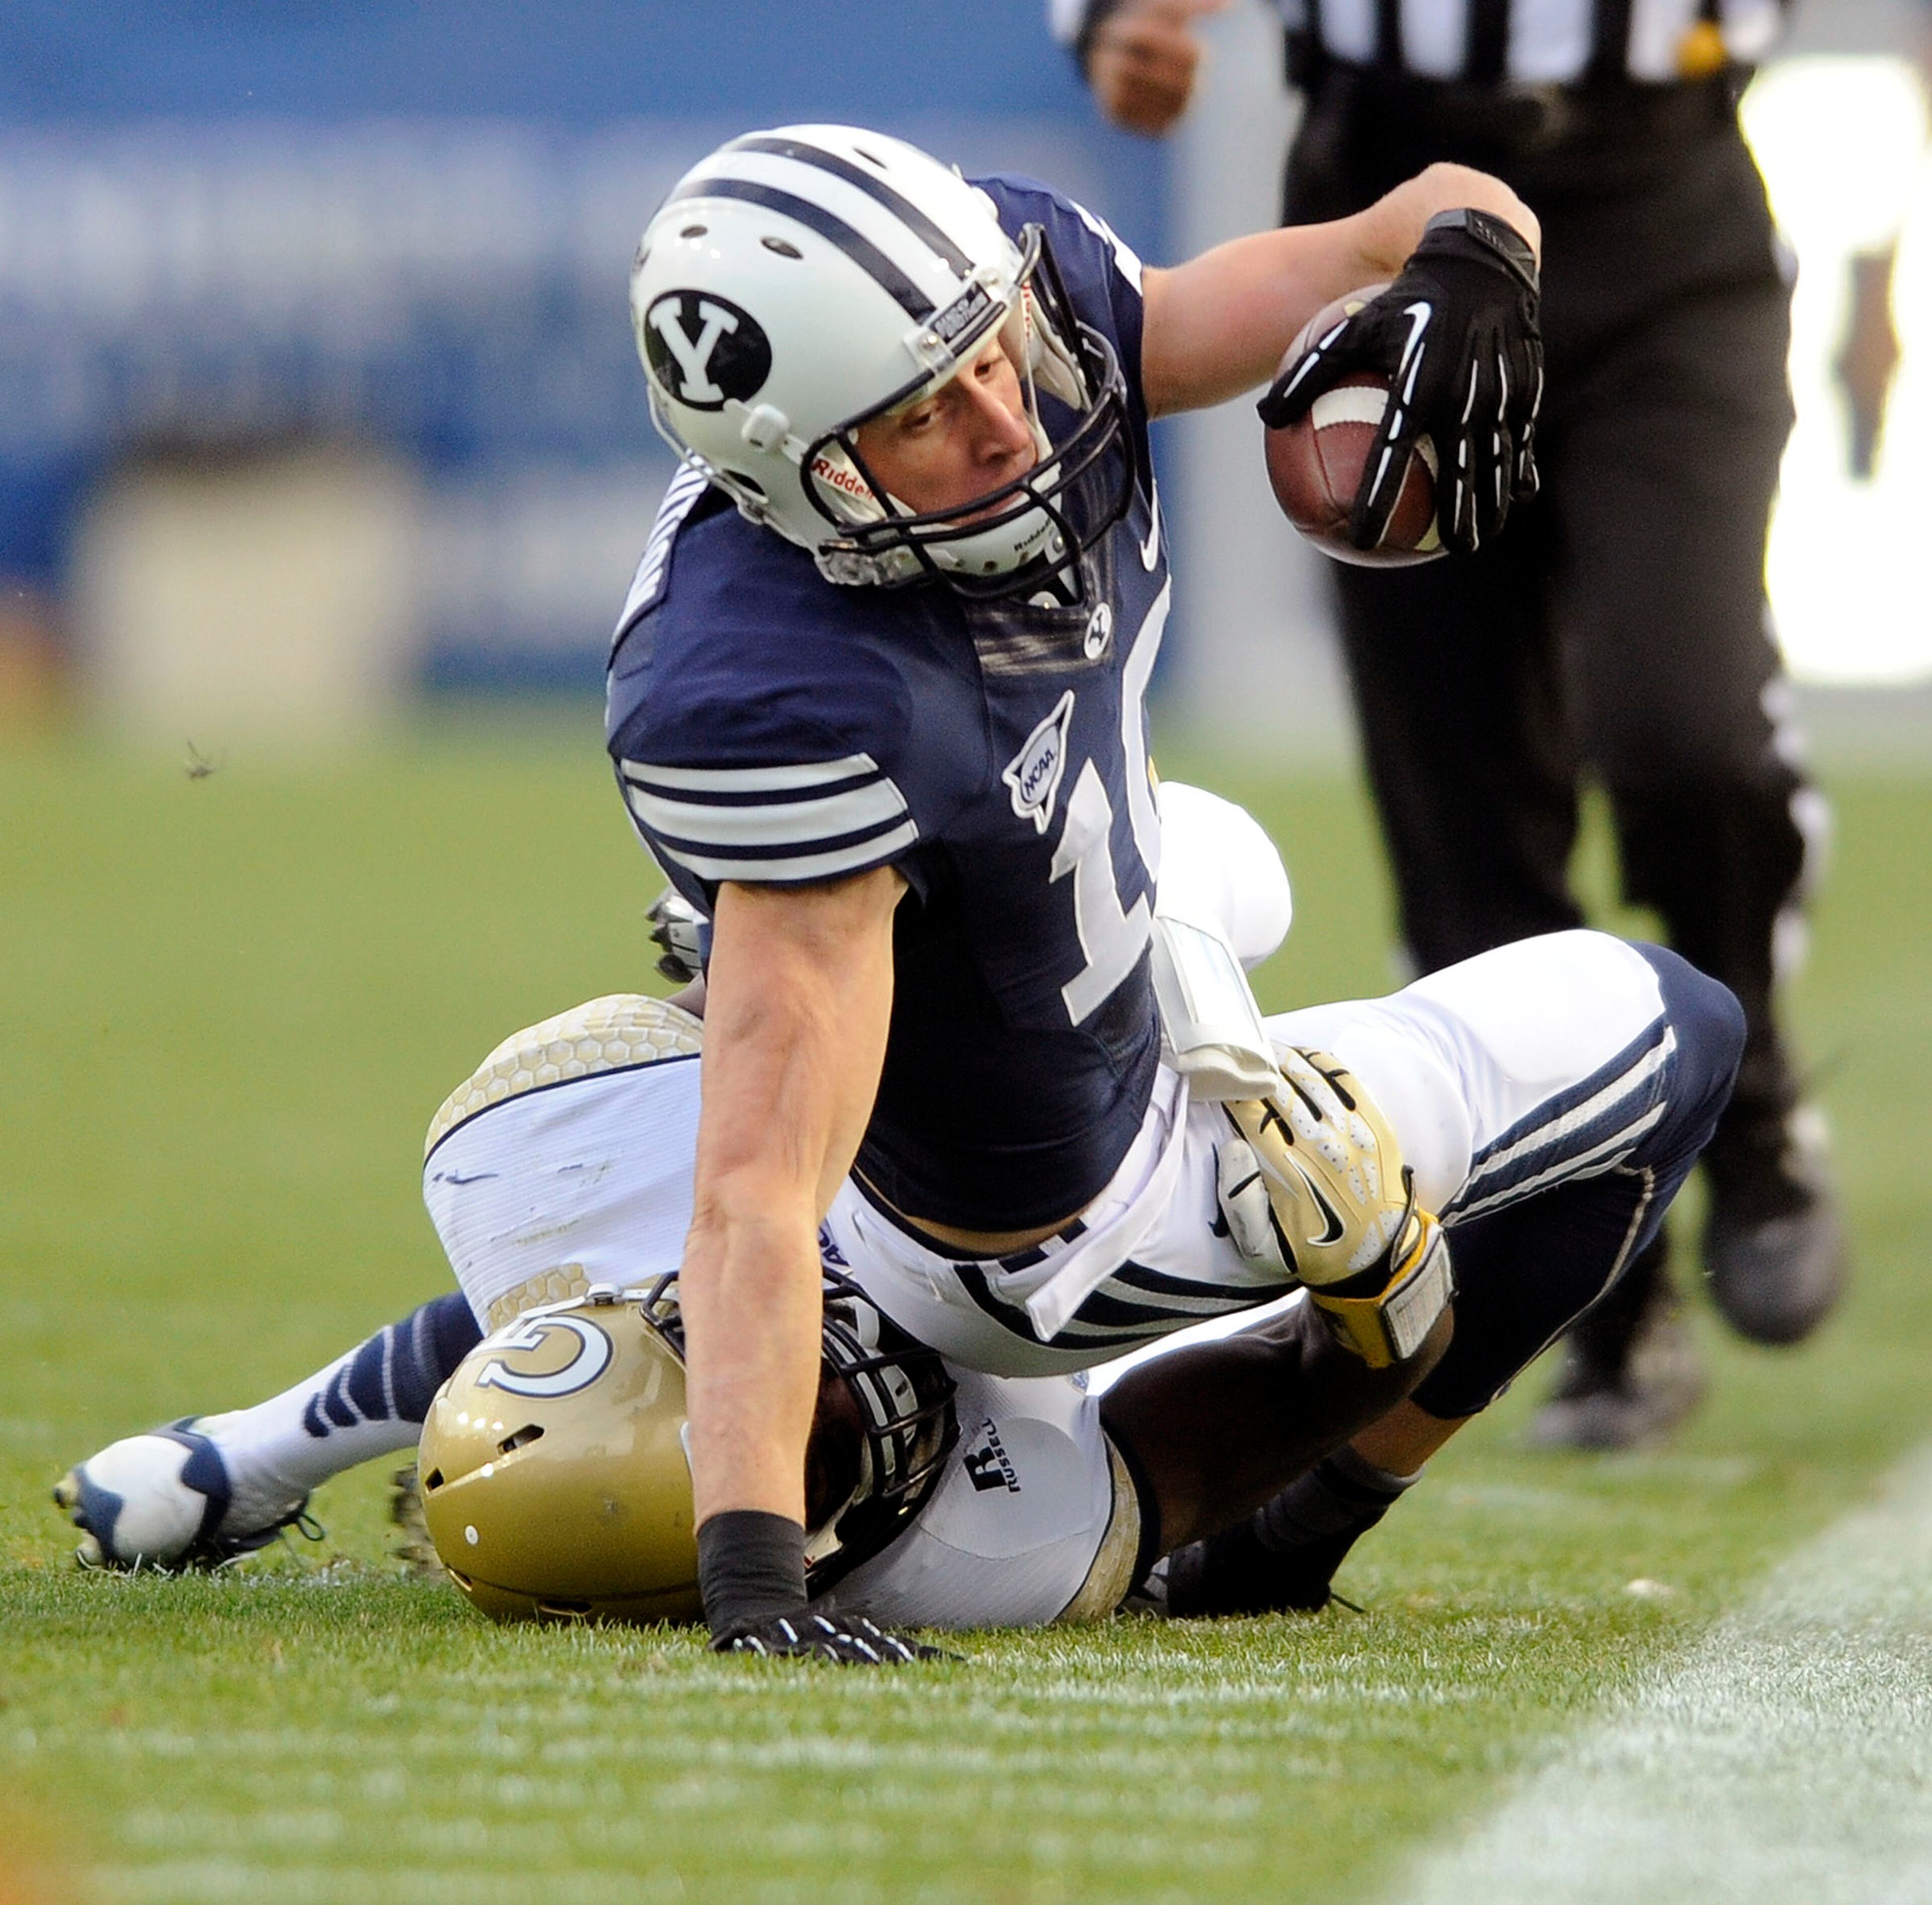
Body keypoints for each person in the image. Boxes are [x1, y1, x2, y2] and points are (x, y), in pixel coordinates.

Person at [56, 816, 1745, 1646]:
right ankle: (1313, 1544)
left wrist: (808, 936)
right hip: (1126, 1278)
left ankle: (241, 1459)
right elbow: (1237, 1421)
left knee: (1203, 849)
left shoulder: (548, 1177)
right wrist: (1384, 1295)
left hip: (944, 1136)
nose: (852, 1373)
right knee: (1678, 1028)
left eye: (744, 1364)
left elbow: (508, 1339)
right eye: (837, 1447)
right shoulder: (980, 1544)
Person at [1060, 0, 1844, 1449]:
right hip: (1387, 206)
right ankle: (1612, 1307)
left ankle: (1754, 1091)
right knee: (1464, 813)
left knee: (1689, 731)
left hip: (1659, 203)